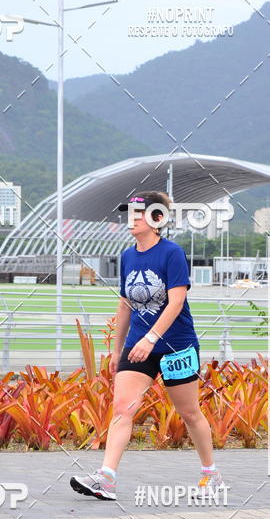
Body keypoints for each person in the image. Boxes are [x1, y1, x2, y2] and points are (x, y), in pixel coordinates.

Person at [70, 190, 223, 501]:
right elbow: (125, 304)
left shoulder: (171, 253)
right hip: (138, 347)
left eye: (138, 213)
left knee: (189, 412)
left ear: (157, 219)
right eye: (129, 214)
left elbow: (176, 301)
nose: (131, 219)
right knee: (122, 409)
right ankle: (106, 478)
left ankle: (211, 474)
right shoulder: (128, 256)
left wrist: (152, 338)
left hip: (176, 346)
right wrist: (117, 350)